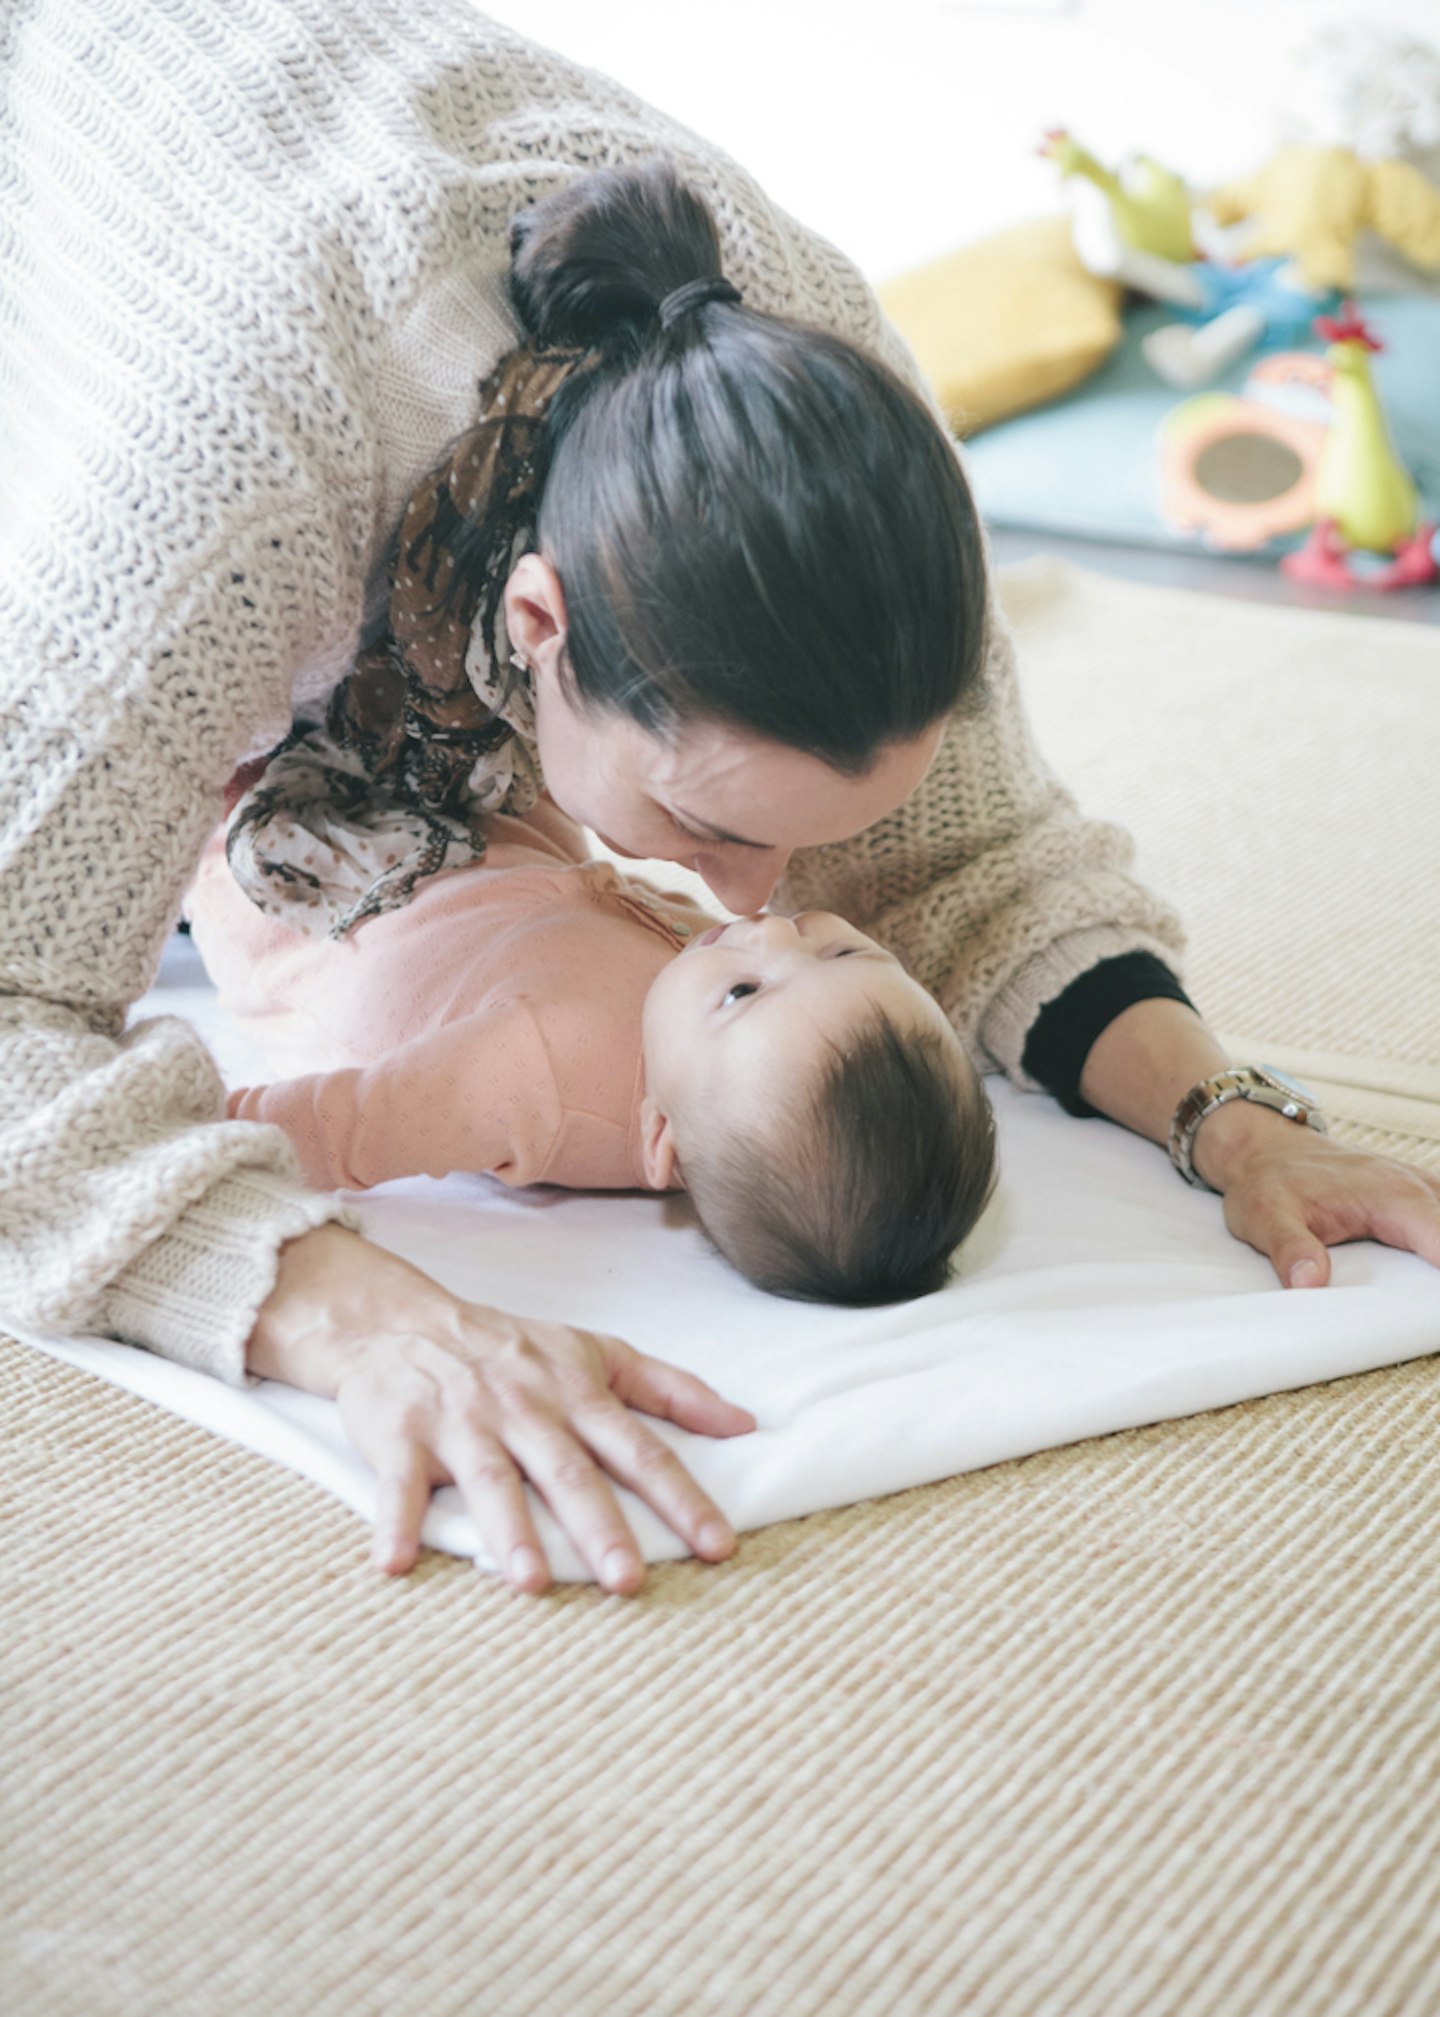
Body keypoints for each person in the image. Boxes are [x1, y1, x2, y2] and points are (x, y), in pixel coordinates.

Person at [4, 2, 1437, 1600]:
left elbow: (973, 849)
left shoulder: (841, 423)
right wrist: (359, 1309)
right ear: (534, 629)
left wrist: (1225, 1116)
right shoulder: (226, 495)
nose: (760, 903)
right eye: (713, 833)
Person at [185, 802, 998, 1305]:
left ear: (661, 1138)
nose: (774, 932)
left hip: (303, 887)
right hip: (488, 843)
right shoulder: (710, 1020)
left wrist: (178, 1129)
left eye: (744, 994)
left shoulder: (540, 1070)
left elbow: (345, 1126)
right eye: (842, 956)